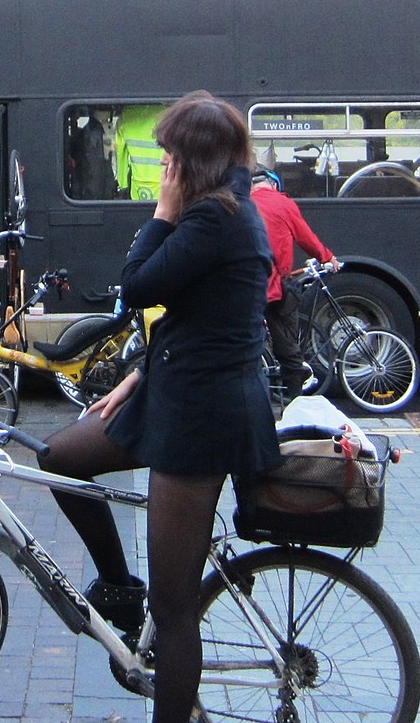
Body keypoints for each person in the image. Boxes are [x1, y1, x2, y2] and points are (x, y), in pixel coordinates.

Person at [36, 91, 282, 723]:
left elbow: (137, 287)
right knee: (61, 456)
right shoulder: (223, 212)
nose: (163, 164)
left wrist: (162, 213)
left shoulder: (214, 218)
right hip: (175, 391)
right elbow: (209, 317)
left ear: (191, 162)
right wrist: (143, 373)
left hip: (201, 420)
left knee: (174, 612)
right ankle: (118, 583)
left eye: (171, 154)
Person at [250, 169, 337, 394]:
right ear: (274, 186)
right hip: (276, 287)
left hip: (247, 286)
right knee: (287, 343)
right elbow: (306, 238)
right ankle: (295, 397)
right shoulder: (283, 204)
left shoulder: (242, 204)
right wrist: (327, 257)